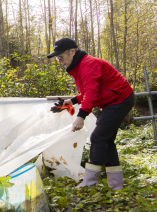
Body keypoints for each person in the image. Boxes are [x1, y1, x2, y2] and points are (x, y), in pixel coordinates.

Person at [47, 38, 134, 190]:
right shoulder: (79, 67)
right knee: (106, 140)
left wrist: (81, 116)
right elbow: (88, 93)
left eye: (61, 57)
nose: (59, 61)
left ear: (72, 52)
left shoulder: (88, 65)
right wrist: (71, 101)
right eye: (57, 58)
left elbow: (92, 93)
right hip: (110, 101)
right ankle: (116, 186)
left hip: (120, 99)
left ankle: (89, 183)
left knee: (98, 137)